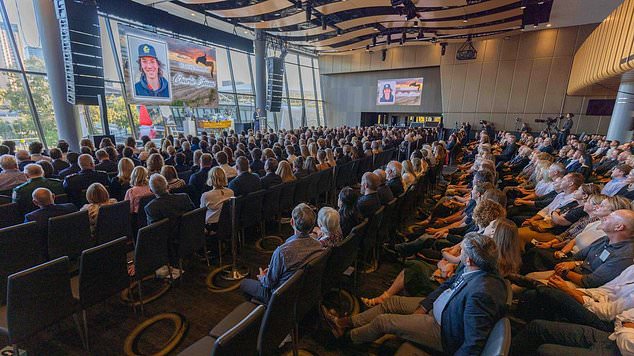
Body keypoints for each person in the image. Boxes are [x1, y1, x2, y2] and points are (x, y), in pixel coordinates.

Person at [321, 233, 507, 355]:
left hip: (442, 330)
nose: (458, 254)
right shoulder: (476, 268)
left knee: (383, 321)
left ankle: (345, 339)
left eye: (461, 252)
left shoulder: (482, 293)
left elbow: (473, 343)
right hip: (438, 308)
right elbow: (448, 285)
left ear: (468, 259)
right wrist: (425, 305)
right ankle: (345, 323)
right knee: (391, 302)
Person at [525, 209, 634, 289]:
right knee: (530, 276)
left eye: (609, 217)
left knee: (531, 286)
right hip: (573, 273)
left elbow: (591, 282)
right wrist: (573, 264)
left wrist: (564, 272)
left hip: (584, 287)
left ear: (619, 227)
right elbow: (578, 256)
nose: (605, 218)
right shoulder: (605, 239)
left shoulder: (624, 255)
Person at [240, 203, 324, 304]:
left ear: (292, 222)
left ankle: (262, 315)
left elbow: (269, 283)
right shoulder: (318, 245)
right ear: (312, 225)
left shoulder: (282, 252)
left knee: (244, 284)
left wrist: (262, 277)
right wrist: (272, 270)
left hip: (280, 296)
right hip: (303, 291)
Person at [24, 188, 77, 258]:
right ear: (53, 196)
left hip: (48, 255)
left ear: (35, 202)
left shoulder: (31, 218)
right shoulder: (71, 207)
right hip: (74, 246)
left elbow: (29, 239)